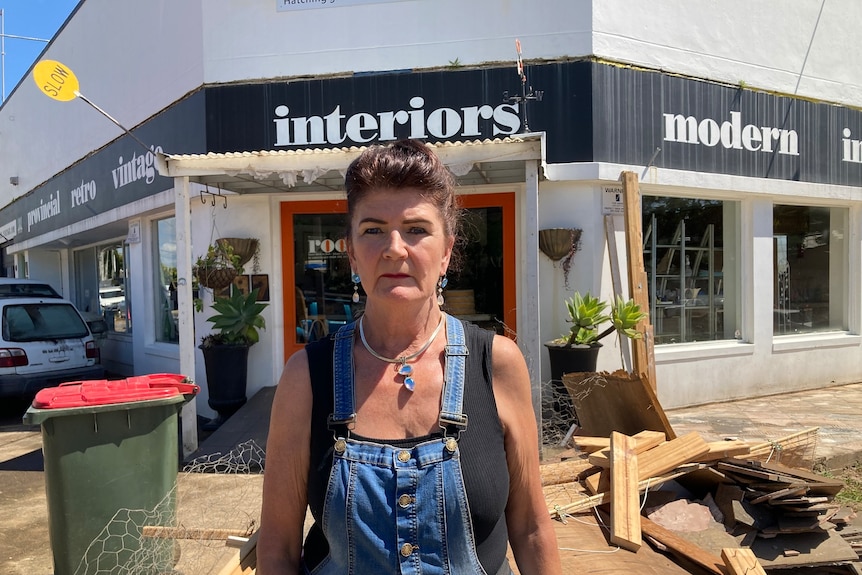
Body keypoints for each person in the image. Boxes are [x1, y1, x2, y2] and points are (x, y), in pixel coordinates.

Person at [258, 139, 562, 574]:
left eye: (417, 229)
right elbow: (277, 549)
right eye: (373, 229)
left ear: (447, 253)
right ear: (351, 252)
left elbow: (532, 529)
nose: (395, 248)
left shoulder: (496, 364)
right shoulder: (307, 376)